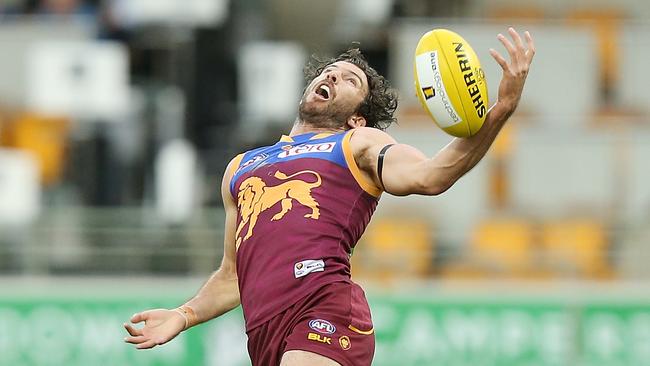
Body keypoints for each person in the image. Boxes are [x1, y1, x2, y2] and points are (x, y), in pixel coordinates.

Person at [124, 27, 535, 365]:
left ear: (358, 115)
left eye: (349, 80)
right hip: (264, 333)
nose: (332, 77)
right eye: (330, 73)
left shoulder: (358, 142)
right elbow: (233, 276)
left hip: (325, 308)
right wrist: (184, 314)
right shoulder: (241, 167)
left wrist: (501, 110)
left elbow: (430, 176)